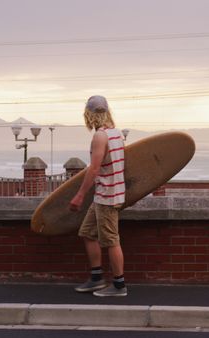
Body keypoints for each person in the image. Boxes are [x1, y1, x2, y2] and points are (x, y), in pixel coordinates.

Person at [69, 95, 127, 297]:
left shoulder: (100, 137)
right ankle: (96, 279)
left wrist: (79, 196)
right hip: (107, 194)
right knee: (87, 232)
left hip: (107, 196)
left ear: (89, 115)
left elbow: (93, 169)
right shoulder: (117, 133)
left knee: (111, 240)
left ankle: (119, 285)